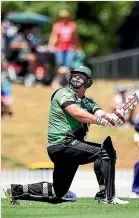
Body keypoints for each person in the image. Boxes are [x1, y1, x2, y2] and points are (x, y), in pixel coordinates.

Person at [3, 66, 129, 205]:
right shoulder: (63, 93)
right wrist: (102, 120)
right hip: (63, 144)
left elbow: (102, 115)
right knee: (104, 152)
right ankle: (107, 196)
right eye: (74, 75)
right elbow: (76, 112)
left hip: (68, 149)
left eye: (80, 76)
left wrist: (116, 117)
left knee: (57, 193)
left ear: (88, 82)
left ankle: (14, 190)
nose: (76, 78)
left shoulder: (88, 102)